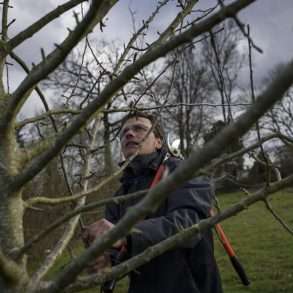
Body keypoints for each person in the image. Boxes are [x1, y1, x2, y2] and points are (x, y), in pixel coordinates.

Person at [82, 112, 223, 293]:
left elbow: (191, 224)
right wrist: (107, 259)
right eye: (124, 132)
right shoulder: (118, 197)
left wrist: (125, 234)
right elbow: (122, 249)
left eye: (139, 128)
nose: (129, 134)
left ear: (158, 142)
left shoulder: (183, 171)